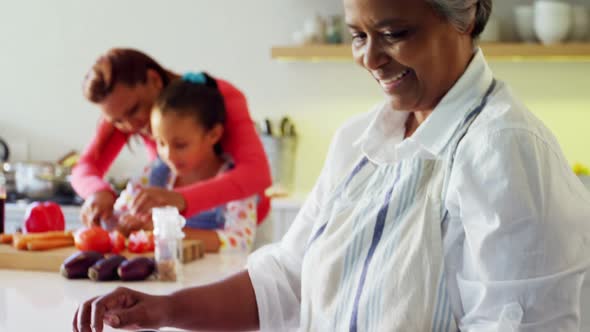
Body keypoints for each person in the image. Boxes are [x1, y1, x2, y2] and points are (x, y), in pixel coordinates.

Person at [73, 0, 590, 331]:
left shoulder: (503, 149)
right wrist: (165, 310)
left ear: (467, 15)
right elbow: (288, 279)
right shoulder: (358, 142)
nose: (368, 58)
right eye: (358, 36)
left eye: (393, 32)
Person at [71, 48, 271, 226]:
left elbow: (256, 174)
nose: (131, 126)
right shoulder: (121, 111)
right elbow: (83, 168)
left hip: (239, 227)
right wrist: (97, 192)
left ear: (155, 80)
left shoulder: (217, 98)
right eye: (117, 121)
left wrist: (180, 200)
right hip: (176, 227)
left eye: (135, 110)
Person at [112, 72, 257, 253]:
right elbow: (116, 216)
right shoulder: (156, 173)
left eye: (180, 145)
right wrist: (125, 224)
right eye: (160, 142)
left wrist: (164, 232)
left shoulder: (235, 184)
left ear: (214, 135)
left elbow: (239, 241)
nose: (168, 155)